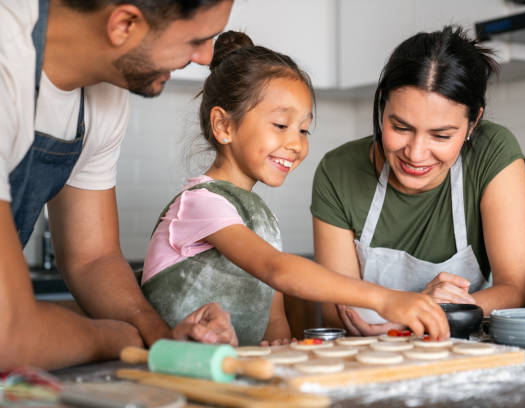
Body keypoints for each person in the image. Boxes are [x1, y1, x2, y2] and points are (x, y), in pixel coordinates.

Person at [141, 31, 450, 346]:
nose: (296, 144)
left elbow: (274, 316)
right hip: (175, 372)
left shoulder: (260, 218)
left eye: (304, 130)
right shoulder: (199, 203)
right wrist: (386, 300)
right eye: (280, 126)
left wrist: (279, 348)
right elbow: (277, 270)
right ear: (224, 126)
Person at [0, 0, 238, 371]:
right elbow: (9, 334)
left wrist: (161, 340)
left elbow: (92, 258)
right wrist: (121, 338)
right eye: (197, 39)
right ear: (124, 24)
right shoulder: (5, 59)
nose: (207, 57)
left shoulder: (103, 92)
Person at [311, 26, 525, 336]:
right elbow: (338, 312)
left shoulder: (493, 152)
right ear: (382, 104)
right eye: (401, 127)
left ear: (473, 123)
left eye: (441, 135)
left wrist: (433, 312)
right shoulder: (338, 171)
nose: (416, 154)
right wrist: (419, 306)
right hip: (373, 361)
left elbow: (520, 290)